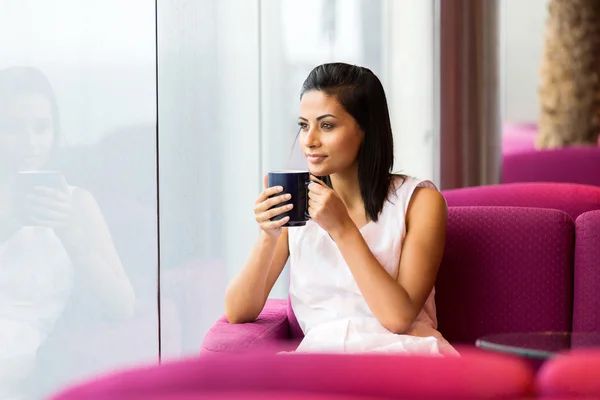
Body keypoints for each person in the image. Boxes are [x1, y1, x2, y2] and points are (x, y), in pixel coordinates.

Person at [224, 62, 456, 355]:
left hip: (403, 355)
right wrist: (268, 235)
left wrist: (342, 229)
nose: (309, 140)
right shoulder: (297, 200)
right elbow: (237, 311)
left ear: (366, 130)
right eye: (304, 125)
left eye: (327, 125)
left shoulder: (420, 201)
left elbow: (398, 318)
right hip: (323, 362)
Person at [0, 66, 135, 396]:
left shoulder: (75, 203)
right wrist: (9, 223)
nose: (30, 142)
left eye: (41, 128)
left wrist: (70, 233)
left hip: (21, 353)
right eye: (14, 128)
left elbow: (123, 304)